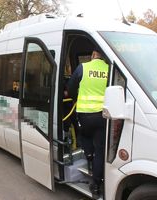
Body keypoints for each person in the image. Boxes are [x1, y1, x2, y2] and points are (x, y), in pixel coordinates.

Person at [65, 49, 109, 197]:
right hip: (102, 115)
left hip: (84, 113)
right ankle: (96, 186)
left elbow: (70, 87)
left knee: (85, 136)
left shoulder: (83, 67)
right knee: (100, 149)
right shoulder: (109, 70)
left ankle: (88, 160)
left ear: (93, 55)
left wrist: (75, 98)